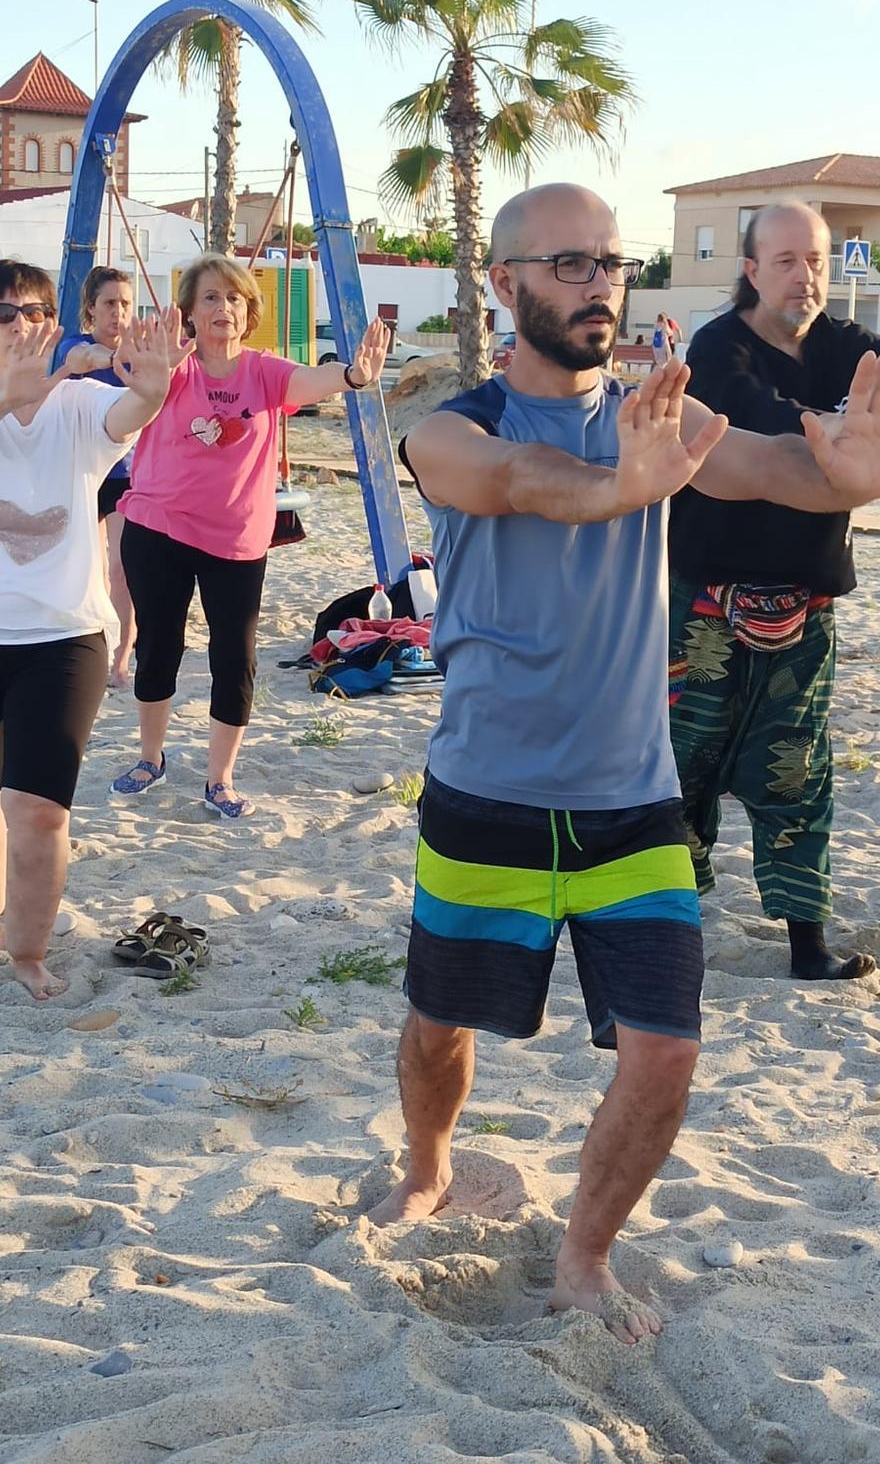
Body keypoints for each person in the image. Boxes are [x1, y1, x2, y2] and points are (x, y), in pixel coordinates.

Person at [373, 183, 880, 1345]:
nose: (597, 282)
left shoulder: (662, 420)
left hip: (632, 804)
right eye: (566, 265)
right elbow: (511, 485)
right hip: (486, 790)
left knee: (666, 1052)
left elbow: (776, 472)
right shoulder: (450, 424)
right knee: (438, 1024)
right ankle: (427, 1164)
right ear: (503, 285)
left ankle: (583, 1257)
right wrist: (618, 489)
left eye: (608, 261)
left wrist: (849, 473)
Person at [669, 201, 879, 983]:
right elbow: (750, 420)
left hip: (806, 606)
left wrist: (847, 428)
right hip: (705, 604)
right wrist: (834, 432)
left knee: (798, 770)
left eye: (817, 259)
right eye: (787, 260)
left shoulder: (850, 348)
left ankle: (806, 944)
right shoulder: (718, 347)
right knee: (682, 769)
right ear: (751, 269)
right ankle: (669, 933)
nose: (806, 275)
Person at [110, 253, 389, 820]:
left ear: (248, 311)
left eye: (234, 298)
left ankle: (221, 779)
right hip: (158, 527)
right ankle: (149, 757)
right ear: (189, 310)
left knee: (234, 657)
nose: (223, 307)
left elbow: (313, 381)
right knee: (159, 646)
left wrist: (355, 373)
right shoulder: (173, 369)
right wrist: (151, 365)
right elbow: (131, 381)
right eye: (210, 297)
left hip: (236, 539)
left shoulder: (263, 371)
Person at [0, 258, 173, 999]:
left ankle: (28, 952)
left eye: (32, 311)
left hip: (62, 637)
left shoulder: (77, 407)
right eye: (2, 313)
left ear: (52, 320)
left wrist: (155, 381)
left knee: (37, 810)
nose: (18, 325)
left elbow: (131, 408)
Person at [56, 267, 137, 688]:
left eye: (125, 303)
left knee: (122, 569)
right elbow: (81, 361)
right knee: (92, 569)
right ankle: (94, 646)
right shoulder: (79, 346)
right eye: (109, 303)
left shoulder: (141, 352)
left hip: (125, 476)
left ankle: (122, 654)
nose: (118, 312)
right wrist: (118, 358)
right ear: (92, 308)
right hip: (83, 472)